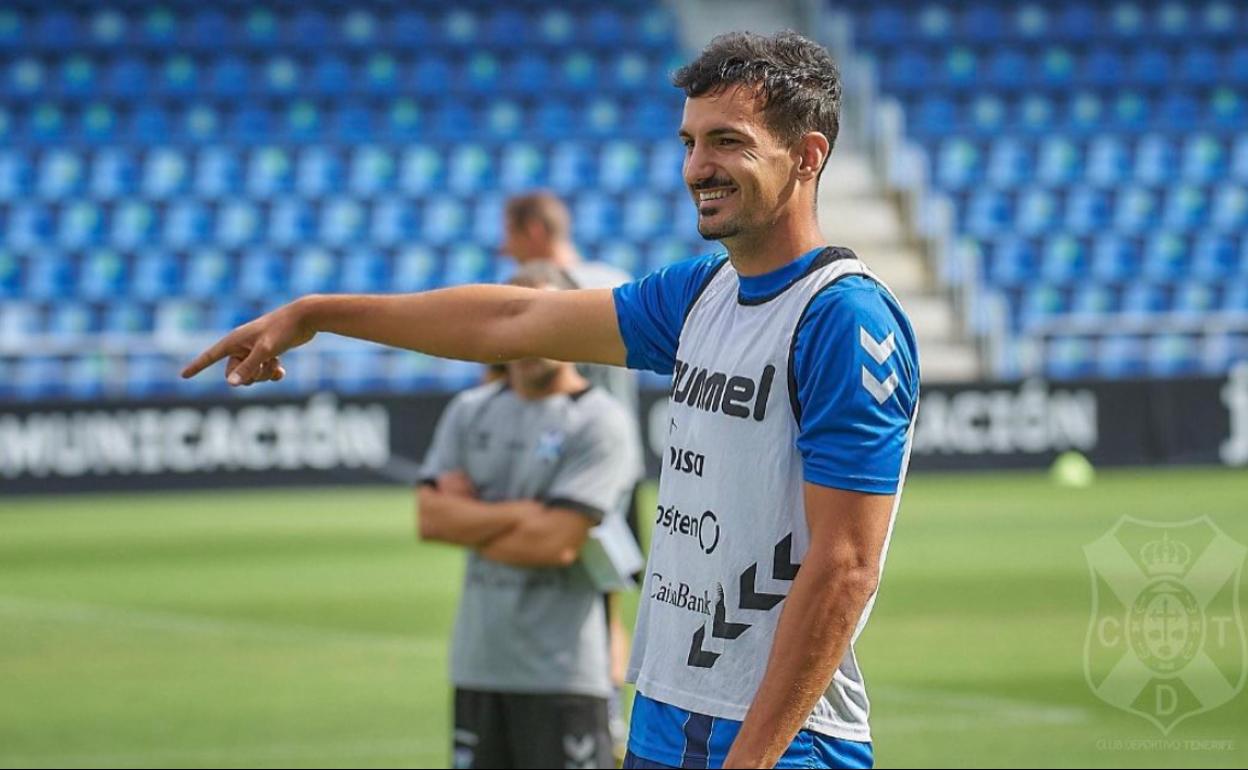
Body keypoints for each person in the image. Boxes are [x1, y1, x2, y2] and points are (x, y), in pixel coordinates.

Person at [183, 31, 920, 770]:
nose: (698, 167)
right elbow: (513, 321)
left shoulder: (843, 318)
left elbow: (846, 564)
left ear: (808, 155)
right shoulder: (700, 293)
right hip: (666, 717)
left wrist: (752, 760)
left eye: (727, 141)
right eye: (690, 141)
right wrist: (318, 313)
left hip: (783, 744)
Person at [416, 262, 641, 769]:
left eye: (547, 315)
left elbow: (554, 544)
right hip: (478, 666)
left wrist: (471, 516)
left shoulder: (601, 422)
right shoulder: (469, 411)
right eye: (519, 315)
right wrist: (526, 513)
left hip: (564, 675)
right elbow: (431, 520)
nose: (532, 332)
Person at [499, 190, 645, 756]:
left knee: (577, 602)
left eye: (510, 236)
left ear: (534, 230)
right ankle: (608, 716)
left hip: (570, 465)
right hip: (622, 467)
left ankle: (589, 717)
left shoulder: (541, 291)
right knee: (606, 600)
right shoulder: (616, 277)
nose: (505, 249)